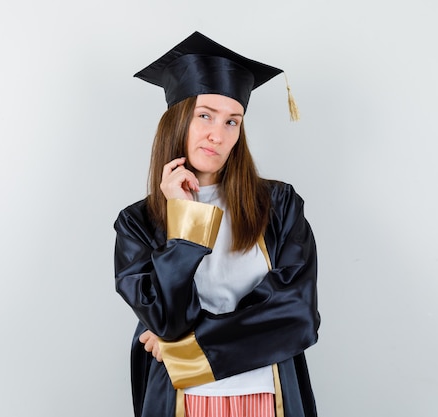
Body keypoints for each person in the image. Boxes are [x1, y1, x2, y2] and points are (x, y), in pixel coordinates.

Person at [113, 31, 320, 417]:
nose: (218, 134)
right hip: (181, 400)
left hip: (267, 394)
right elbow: (168, 320)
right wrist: (186, 221)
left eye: (232, 122)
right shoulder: (138, 222)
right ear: (177, 119)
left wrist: (185, 352)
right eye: (204, 115)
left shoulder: (277, 204)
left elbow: (297, 316)